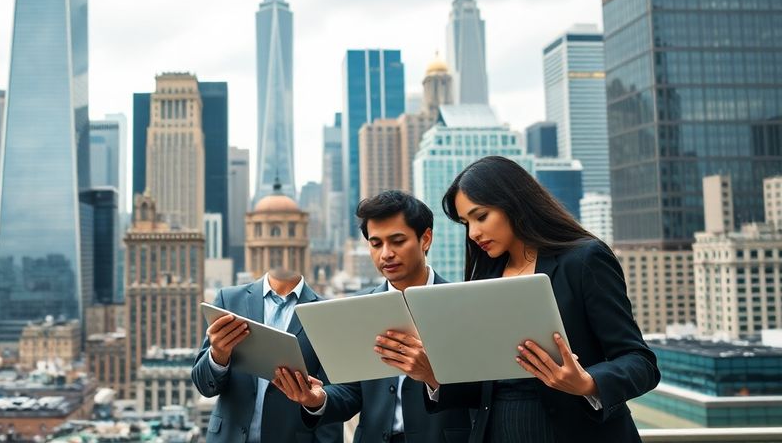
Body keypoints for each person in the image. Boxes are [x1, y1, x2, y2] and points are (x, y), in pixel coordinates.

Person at [422, 155, 660, 442]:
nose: (473, 233)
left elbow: (640, 362)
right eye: (465, 223)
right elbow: (487, 387)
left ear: (514, 203)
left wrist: (587, 382)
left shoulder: (584, 259)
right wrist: (433, 377)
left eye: (481, 216)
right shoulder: (485, 277)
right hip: (500, 431)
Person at [273, 190, 471, 443]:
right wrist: (317, 400)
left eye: (397, 241)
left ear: (426, 239)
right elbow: (351, 392)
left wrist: (432, 377)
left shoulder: (459, 304)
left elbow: (481, 394)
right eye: (376, 244)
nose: (386, 253)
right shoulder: (358, 306)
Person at [191, 243, 343, 442]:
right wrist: (218, 355)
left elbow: (331, 404)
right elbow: (204, 385)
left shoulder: (326, 314)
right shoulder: (229, 300)